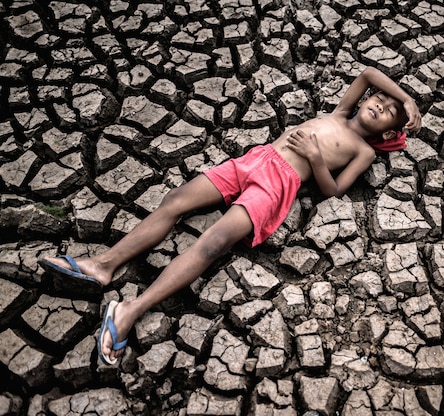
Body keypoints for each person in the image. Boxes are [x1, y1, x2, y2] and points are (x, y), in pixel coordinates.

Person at [39, 66, 422, 364]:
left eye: (390, 112)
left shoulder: (364, 150)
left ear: (390, 134)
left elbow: (333, 190)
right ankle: (103, 264)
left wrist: (316, 157)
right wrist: (407, 100)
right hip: (254, 160)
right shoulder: (340, 111)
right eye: (380, 100)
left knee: (214, 242)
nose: (380, 105)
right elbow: (369, 75)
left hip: (278, 186)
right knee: (174, 201)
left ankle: (130, 311)